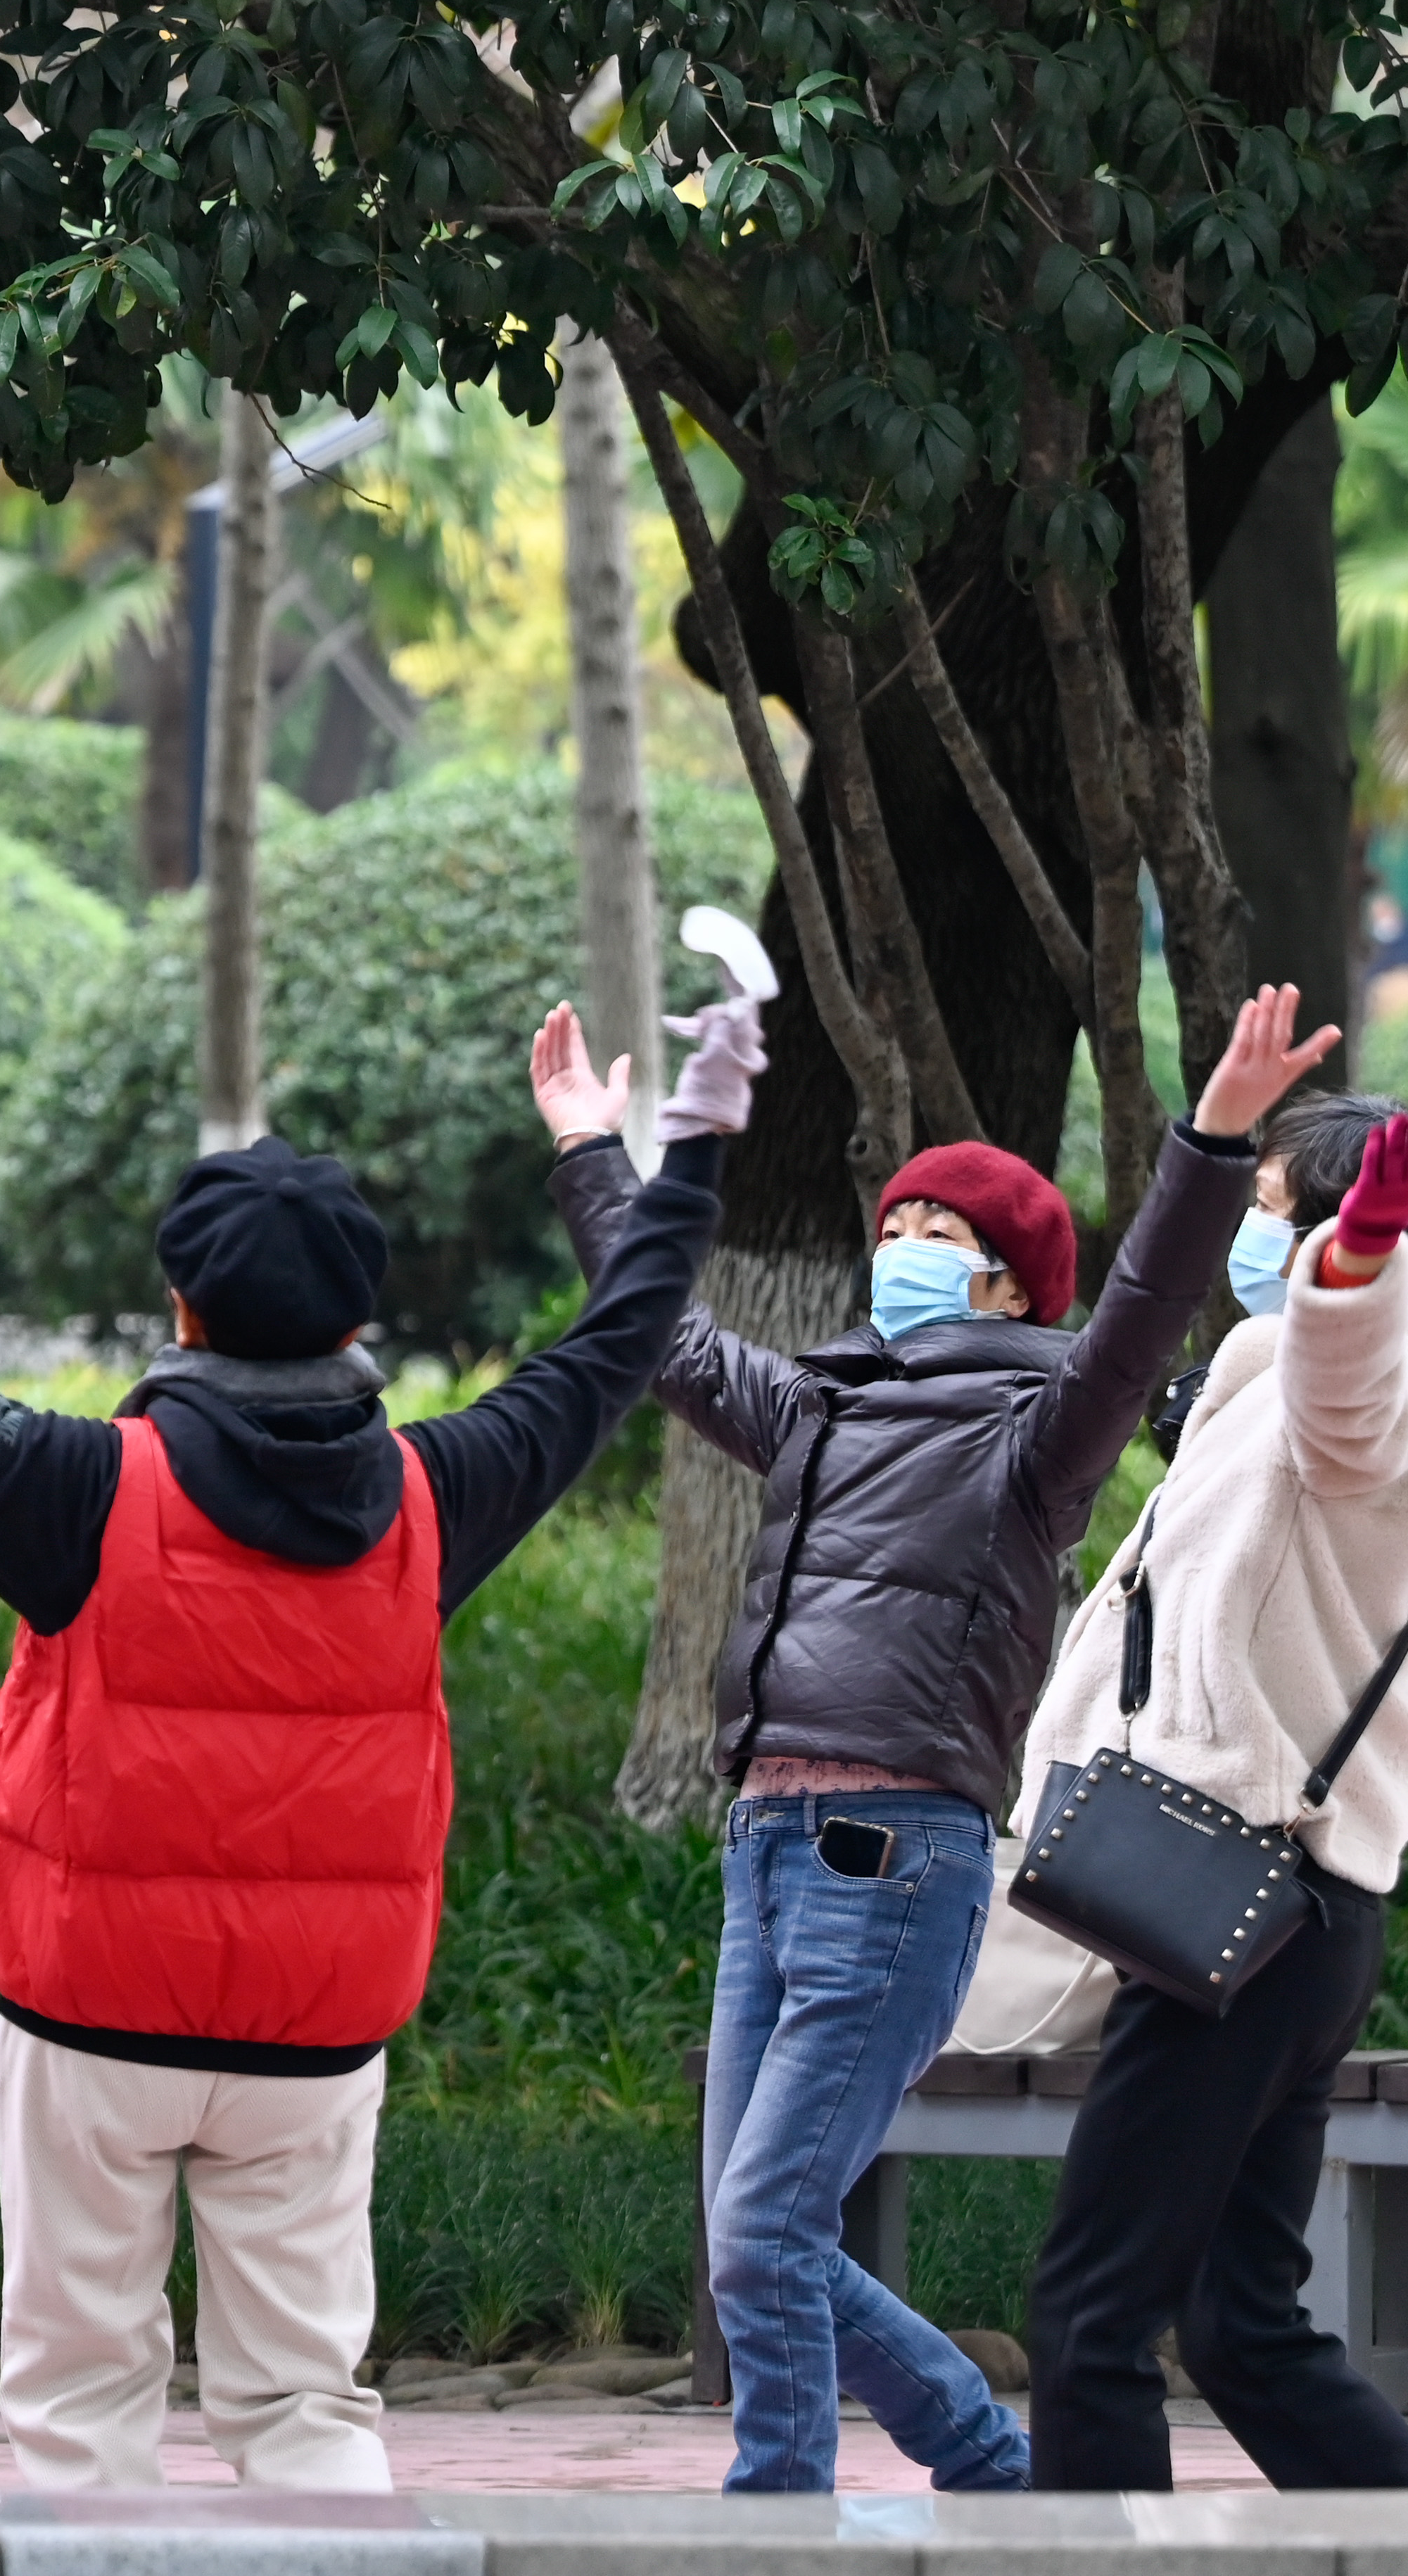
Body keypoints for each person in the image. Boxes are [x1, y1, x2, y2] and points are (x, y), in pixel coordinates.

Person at [0, 937, 732, 2495]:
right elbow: (608, 1356)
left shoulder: (73, 1489)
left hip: (89, 2011)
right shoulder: (430, 1499)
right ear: (356, 1319)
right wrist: (667, 1151)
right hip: (316, 2029)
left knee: (76, 2396)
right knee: (306, 2403)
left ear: (177, 1307)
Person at [533, 984, 1332, 2495]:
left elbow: (1151, 1301)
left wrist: (1212, 1141)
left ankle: (790, 2506)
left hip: (895, 1859)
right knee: (754, 2240)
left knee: (764, 2232)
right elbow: (664, 1341)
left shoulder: (1041, 1430)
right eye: (891, 1230)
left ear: (1012, 1290)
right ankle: (982, 2474)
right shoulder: (821, 1405)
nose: (898, 1253)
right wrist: (593, 1156)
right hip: (765, 1848)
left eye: (936, 1242)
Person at [1015, 1080, 1408, 2492]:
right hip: (1292, 1916)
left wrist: (1351, 1256)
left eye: (1272, 1211)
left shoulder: (1376, 1419)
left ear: (1346, 1243)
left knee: (1088, 2320)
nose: (1256, 1234)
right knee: (1241, 2325)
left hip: (1236, 1917)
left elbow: (1345, 1366)